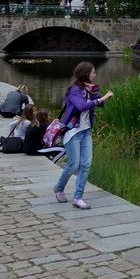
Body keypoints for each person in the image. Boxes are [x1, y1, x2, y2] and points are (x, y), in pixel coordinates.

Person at [53, 61, 114, 210]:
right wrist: (102, 98)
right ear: (86, 74)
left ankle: (78, 197)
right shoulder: (74, 90)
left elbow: (100, 104)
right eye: (93, 72)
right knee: (73, 164)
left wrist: (96, 93)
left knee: (86, 164)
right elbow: (81, 106)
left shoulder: (89, 89)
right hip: (73, 132)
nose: (95, 74)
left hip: (86, 131)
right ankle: (59, 188)